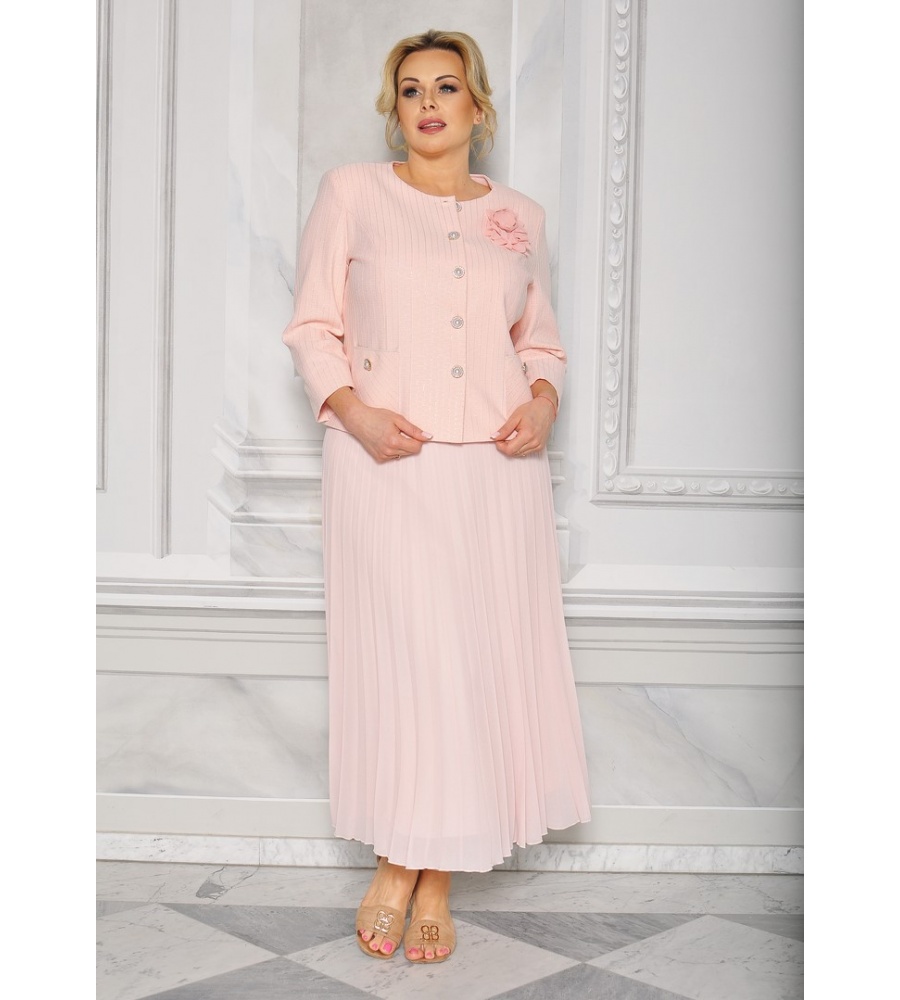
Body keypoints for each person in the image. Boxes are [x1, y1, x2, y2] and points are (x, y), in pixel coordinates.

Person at [281, 29, 591, 964]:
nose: (427, 103)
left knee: (473, 664)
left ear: (477, 108)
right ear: (395, 108)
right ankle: (394, 860)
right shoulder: (352, 193)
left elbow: (541, 341)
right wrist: (355, 414)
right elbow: (312, 326)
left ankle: (434, 877)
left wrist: (543, 402)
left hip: (496, 468)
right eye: (411, 88)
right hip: (386, 463)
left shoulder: (521, 216)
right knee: (407, 661)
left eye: (446, 87)